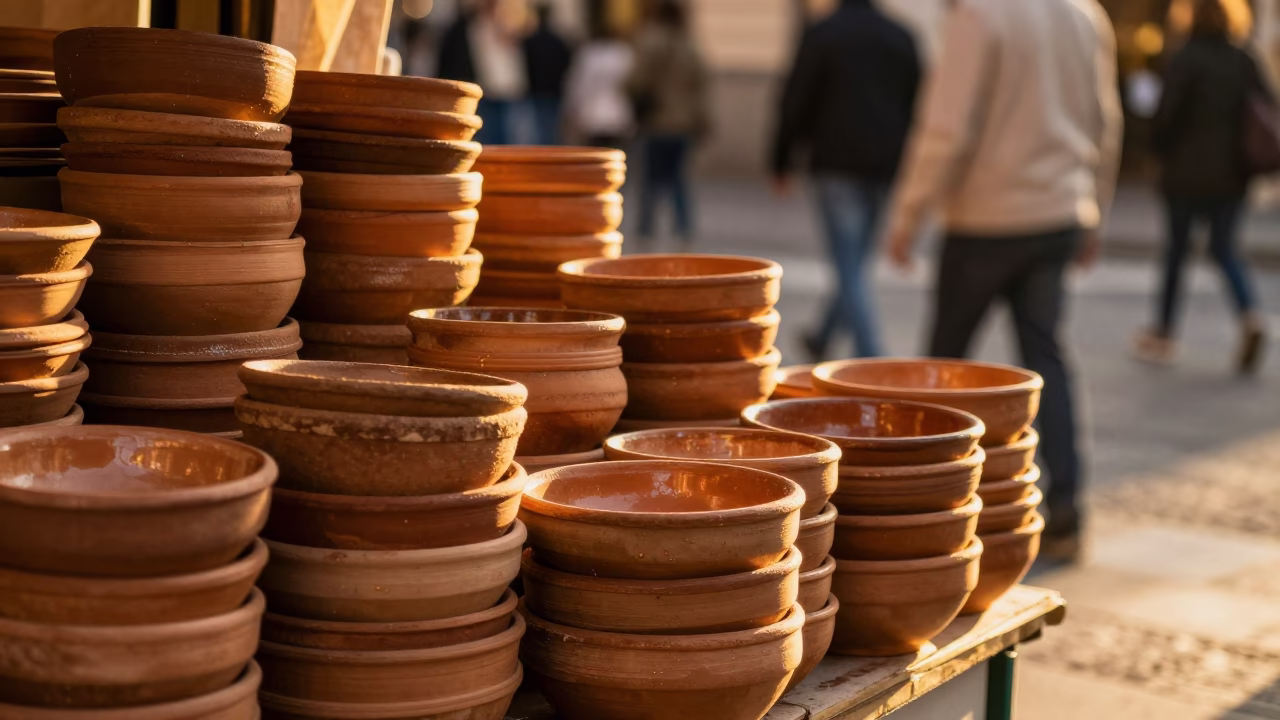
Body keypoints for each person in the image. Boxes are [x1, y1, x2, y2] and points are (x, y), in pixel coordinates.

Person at [885, 0, 1124, 564]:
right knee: (1047, 358)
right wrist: (1096, 210)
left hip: (985, 218)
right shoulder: (1084, 14)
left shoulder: (981, 15)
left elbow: (947, 126)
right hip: (1059, 212)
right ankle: (1066, 510)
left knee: (942, 369)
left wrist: (909, 214)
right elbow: (1105, 122)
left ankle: (922, 513)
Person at [771, 0, 922, 360]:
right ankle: (823, 338)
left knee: (849, 263)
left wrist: (780, 158)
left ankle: (872, 356)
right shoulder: (901, 36)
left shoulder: (824, 32)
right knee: (854, 261)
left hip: (835, 161)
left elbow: (795, 99)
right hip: (885, 163)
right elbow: (916, 104)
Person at [1136, 0, 1268, 373]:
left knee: (1177, 251)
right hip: (1232, 175)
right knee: (1225, 248)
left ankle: (1163, 333)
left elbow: (1165, 118)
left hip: (1185, 174)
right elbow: (1267, 106)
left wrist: (1157, 152)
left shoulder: (1185, 58)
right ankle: (1250, 314)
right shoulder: (1244, 59)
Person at [628, 0, 708, 249]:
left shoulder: (651, 42)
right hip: (683, 125)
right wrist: (701, 121)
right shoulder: (690, 47)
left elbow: (635, 81)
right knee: (678, 180)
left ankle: (645, 231)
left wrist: (637, 101)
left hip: (657, 122)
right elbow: (701, 89)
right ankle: (683, 230)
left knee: (650, 180)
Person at [438, 0, 526, 145]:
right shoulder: (473, 28)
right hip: (484, 91)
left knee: (506, 137)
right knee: (486, 137)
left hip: (506, 91)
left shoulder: (506, 26)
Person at [563, 18, 634, 149]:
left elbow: (580, 84)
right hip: (617, 113)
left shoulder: (589, 54)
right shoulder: (623, 53)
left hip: (594, 113)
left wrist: (574, 110)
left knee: (596, 154)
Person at [522, 3, 573, 145]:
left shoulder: (531, 41)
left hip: (537, 90)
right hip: (553, 90)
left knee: (538, 128)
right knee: (550, 128)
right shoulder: (558, 41)